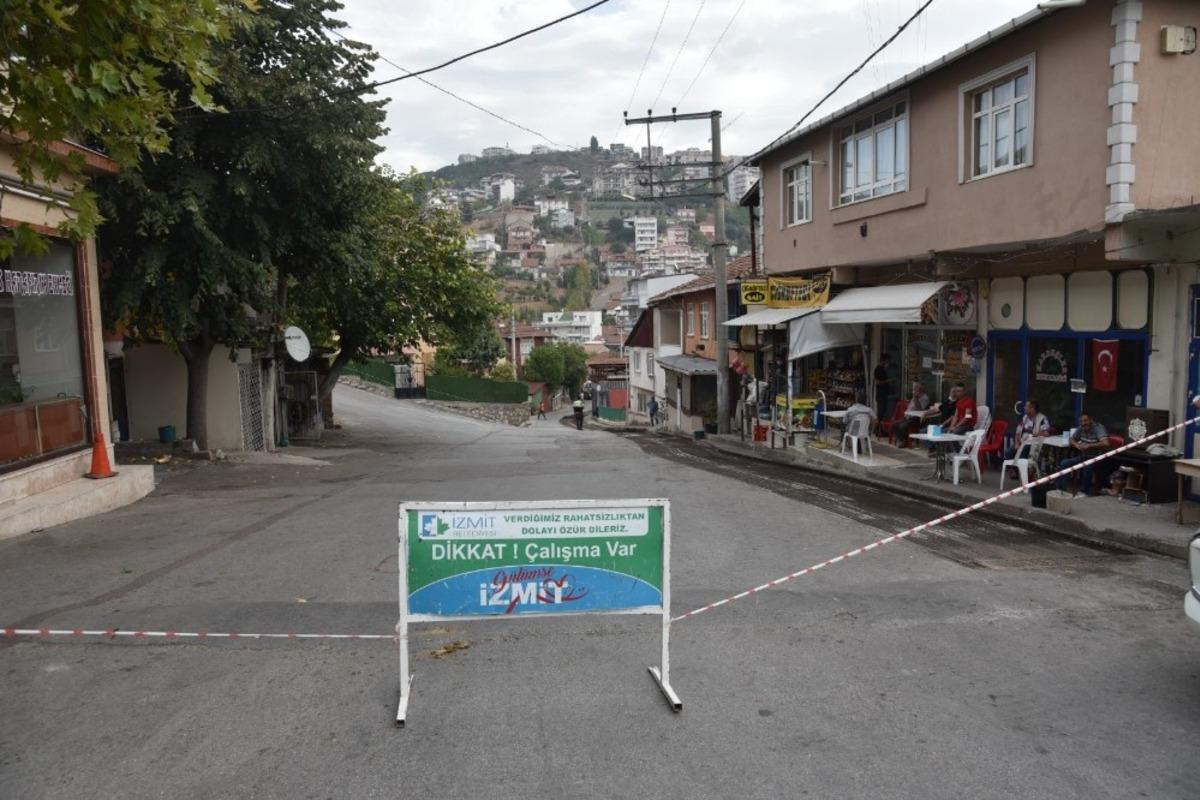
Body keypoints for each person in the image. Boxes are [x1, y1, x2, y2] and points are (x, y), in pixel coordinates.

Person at [1056, 412, 1111, 495]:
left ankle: (1083, 491)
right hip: (1083, 456)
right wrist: (1076, 445)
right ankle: (1062, 489)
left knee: (1087, 465)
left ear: (1091, 420)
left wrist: (1089, 446)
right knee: (1064, 463)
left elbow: (1106, 443)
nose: (1083, 423)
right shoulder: (1081, 428)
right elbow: (1071, 439)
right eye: (1081, 421)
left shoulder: (1098, 428)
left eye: (1085, 421)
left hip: (1096, 458)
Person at [892, 382, 930, 448]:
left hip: (916, 418)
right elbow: (910, 407)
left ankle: (906, 441)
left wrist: (915, 397)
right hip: (908, 416)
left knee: (902, 426)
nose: (913, 391)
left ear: (920, 390)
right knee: (894, 425)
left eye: (915, 389)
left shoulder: (925, 398)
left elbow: (920, 409)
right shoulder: (914, 397)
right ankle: (904, 439)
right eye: (913, 389)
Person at [873, 354, 893, 420]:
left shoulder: (883, 369)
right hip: (880, 395)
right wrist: (888, 381)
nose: (888, 362)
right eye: (887, 361)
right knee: (881, 412)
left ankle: (880, 427)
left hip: (884, 394)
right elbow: (877, 382)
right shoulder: (877, 369)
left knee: (883, 411)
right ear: (883, 360)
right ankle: (877, 427)